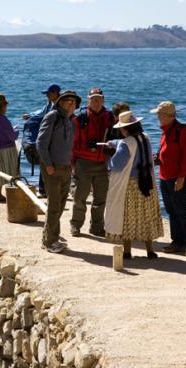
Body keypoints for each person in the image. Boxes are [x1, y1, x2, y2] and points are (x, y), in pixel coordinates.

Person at [104, 111, 163, 259]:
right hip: (147, 183)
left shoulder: (126, 143)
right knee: (145, 216)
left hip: (131, 186)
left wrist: (108, 161)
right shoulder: (145, 138)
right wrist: (114, 142)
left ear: (125, 129)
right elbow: (129, 144)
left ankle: (127, 251)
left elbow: (117, 165)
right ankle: (150, 250)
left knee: (127, 217)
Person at [36, 90, 81, 253]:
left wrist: (71, 165)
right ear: (60, 102)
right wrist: (48, 165)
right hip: (52, 168)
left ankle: (48, 237)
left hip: (66, 167)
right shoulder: (52, 116)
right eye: (68, 101)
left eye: (74, 102)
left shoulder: (70, 120)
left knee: (60, 205)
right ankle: (50, 241)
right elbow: (40, 143)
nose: (72, 104)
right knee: (54, 205)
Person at [150, 100, 186, 257]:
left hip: (177, 178)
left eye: (159, 114)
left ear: (168, 116)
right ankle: (177, 242)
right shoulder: (166, 131)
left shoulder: (182, 131)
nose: (157, 116)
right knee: (171, 210)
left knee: (182, 210)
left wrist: (182, 177)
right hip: (165, 177)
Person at [69, 87, 113, 237]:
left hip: (102, 163)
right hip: (83, 163)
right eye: (93, 99)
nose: (96, 102)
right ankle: (75, 225)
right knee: (80, 198)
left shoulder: (110, 118)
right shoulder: (80, 119)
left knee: (100, 199)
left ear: (103, 100)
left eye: (99, 99)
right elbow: (72, 143)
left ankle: (97, 227)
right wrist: (73, 164)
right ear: (88, 100)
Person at [23, 84, 61, 197]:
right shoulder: (50, 104)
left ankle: (48, 190)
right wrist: (29, 115)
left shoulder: (60, 105)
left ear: (55, 93)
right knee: (45, 162)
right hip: (47, 138)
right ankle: (43, 190)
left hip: (55, 139)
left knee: (50, 164)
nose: (47, 95)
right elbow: (41, 113)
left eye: (48, 93)